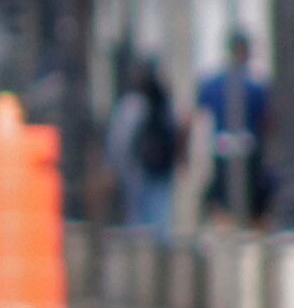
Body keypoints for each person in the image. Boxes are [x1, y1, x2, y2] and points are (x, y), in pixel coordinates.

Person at [196, 34, 270, 225]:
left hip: (226, 147)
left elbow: (198, 115)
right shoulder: (253, 85)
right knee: (248, 199)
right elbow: (266, 120)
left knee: (223, 198)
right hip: (244, 148)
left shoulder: (214, 84)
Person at [105, 56, 179, 234]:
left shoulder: (132, 105)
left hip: (141, 172)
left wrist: (113, 167)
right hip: (159, 172)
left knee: (139, 221)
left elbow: (119, 142)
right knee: (159, 219)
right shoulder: (164, 103)